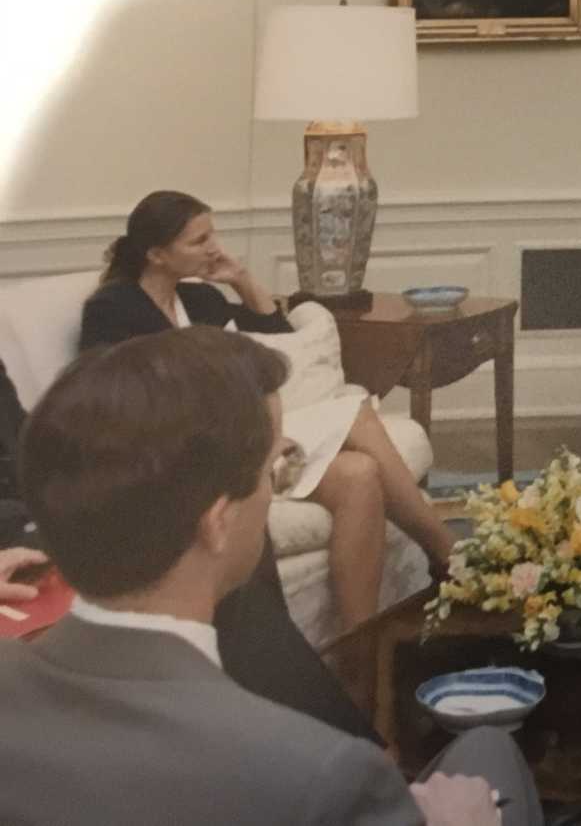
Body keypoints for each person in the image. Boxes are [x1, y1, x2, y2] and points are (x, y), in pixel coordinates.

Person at [0, 327, 541, 825]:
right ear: (218, 522)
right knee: (491, 750)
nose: (272, 493)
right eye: (273, 471)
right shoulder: (323, 775)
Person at [81, 190, 455, 631]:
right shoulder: (112, 310)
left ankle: (360, 646)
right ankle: (449, 554)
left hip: (245, 439)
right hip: (186, 456)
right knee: (355, 411)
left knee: (360, 473)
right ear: (157, 254)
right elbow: (118, 402)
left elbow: (275, 337)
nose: (214, 248)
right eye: (199, 241)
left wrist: (240, 279)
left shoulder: (200, 300)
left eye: (213, 234)